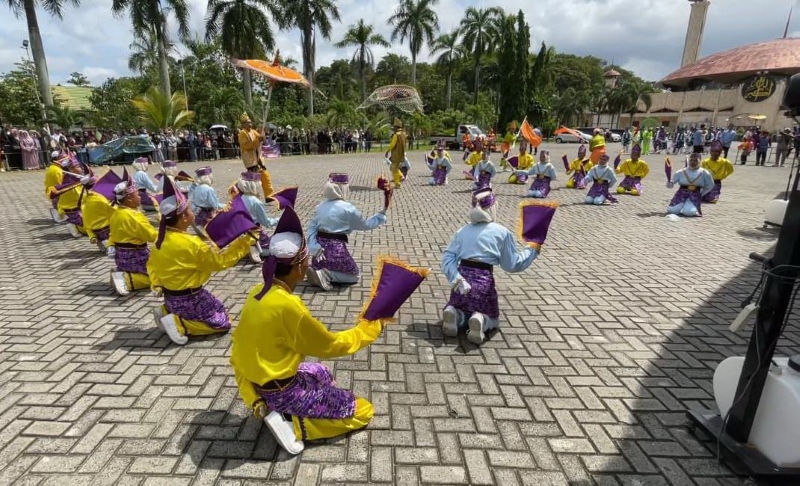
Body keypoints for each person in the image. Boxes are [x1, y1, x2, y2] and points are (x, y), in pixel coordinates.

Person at [230, 205, 382, 455]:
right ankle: (295, 424)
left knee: (320, 372)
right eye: (306, 257)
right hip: (282, 390)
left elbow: (239, 348)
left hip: (259, 380)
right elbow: (330, 345)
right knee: (363, 411)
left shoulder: (256, 292)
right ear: (300, 265)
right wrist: (369, 329)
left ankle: (269, 404)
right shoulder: (290, 307)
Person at [147, 177, 255, 346]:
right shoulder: (192, 244)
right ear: (183, 218)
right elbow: (220, 262)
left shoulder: (159, 241)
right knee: (222, 324)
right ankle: (179, 323)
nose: (193, 212)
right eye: (190, 210)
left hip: (171, 296)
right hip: (189, 298)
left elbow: (152, 266)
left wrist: (157, 284)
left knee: (219, 309)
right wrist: (244, 242)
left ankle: (166, 310)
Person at [441, 188, 538, 344]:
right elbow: (512, 265)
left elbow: (447, 257)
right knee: (493, 318)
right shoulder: (502, 232)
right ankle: (482, 320)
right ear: (493, 208)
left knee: (462, 306)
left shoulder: (463, 230)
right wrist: (532, 250)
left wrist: (457, 278)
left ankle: (455, 314)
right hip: (483, 282)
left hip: (461, 282)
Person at [306, 173, 389, 291]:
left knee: (322, 264)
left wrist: (314, 247)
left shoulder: (320, 206)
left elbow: (312, 227)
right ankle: (328, 275)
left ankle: (318, 271)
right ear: (342, 188)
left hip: (319, 251)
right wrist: (381, 216)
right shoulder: (348, 208)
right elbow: (365, 225)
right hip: (336, 249)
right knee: (354, 276)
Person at [108, 169, 158, 296]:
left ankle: (125, 273)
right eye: (137, 195)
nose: (140, 197)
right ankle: (127, 279)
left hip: (122, 256)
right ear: (129, 198)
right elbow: (152, 236)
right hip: (137, 256)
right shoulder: (134, 216)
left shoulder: (116, 213)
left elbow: (112, 235)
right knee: (161, 277)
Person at [235, 171, 280, 262]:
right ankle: (255, 248)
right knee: (275, 249)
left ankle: (248, 247)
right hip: (255, 232)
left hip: (241, 232)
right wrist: (279, 220)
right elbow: (266, 222)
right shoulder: (256, 202)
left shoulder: (239, 198)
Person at [79, 165, 116, 252]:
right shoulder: (99, 198)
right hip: (106, 228)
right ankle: (110, 243)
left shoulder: (85, 198)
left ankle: (101, 241)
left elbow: (85, 219)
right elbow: (113, 210)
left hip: (94, 229)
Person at [238, 113, 274, 196]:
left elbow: (261, 139)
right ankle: (252, 196)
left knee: (265, 176)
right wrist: (258, 140)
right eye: (248, 123)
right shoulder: (242, 133)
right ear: (243, 124)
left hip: (259, 159)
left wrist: (263, 134)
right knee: (254, 179)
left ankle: (269, 196)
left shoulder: (253, 131)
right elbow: (247, 145)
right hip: (250, 160)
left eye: (250, 122)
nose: (250, 124)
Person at [667, 153, 715, 217]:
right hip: (681, 194)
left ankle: (691, 208)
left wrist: (701, 193)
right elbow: (671, 184)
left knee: (689, 213)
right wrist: (669, 183)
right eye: (691, 160)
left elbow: (710, 185)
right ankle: (681, 206)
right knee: (672, 210)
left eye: (695, 160)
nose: (693, 162)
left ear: (700, 161)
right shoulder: (681, 172)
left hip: (694, 195)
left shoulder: (705, 173)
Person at [54, 157, 86, 237]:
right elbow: (77, 194)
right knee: (83, 222)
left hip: (77, 204)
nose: (81, 168)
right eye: (78, 167)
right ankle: (72, 225)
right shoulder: (69, 182)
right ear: (71, 169)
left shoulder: (75, 177)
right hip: (72, 206)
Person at [44, 151, 68, 223]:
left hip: (51, 191)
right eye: (63, 158)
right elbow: (61, 184)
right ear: (58, 158)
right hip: (56, 192)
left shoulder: (52, 167)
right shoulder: (57, 170)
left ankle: (60, 216)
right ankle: (61, 217)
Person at [384, 118, 407, 188]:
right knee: (395, 168)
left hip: (396, 155)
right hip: (401, 154)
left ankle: (397, 183)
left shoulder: (396, 135)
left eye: (394, 127)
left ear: (397, 127)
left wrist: (387, 151)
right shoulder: (404, 134)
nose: (393, 128)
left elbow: (392, 145)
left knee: (393, 168)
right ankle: (401, 176)